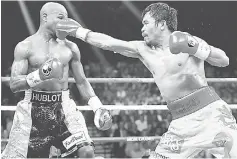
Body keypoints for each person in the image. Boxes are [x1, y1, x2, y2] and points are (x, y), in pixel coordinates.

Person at [55, 2, 237, 158]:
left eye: (146, 23)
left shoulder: (188, 40)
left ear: (161, 24)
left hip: (211, 115)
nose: (141, 28)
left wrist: (195, 48)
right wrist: (79, 31)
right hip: (180, 123)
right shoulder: (143, 49)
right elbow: (109, 43)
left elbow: (223, 60)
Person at [2, 2, 112, 158]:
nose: (65, 23)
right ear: (45, 17)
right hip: (32, 109)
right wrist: (40, 75)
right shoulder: (25, 46)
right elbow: (14, 84)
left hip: (64, 109)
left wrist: (97, 107)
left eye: (67, 18)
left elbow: (81, 81)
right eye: (61, 17)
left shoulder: (71, 48)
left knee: (86, 152)